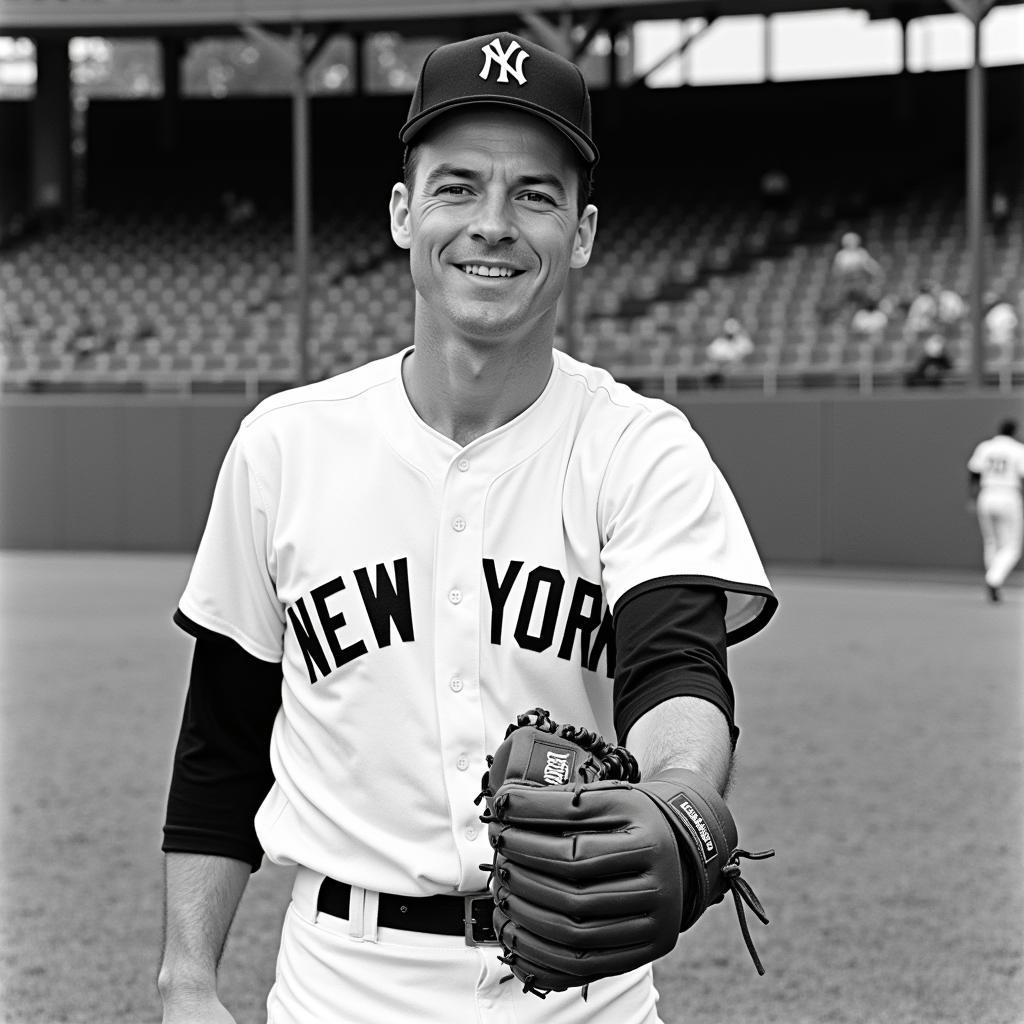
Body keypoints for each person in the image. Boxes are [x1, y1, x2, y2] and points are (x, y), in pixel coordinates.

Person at [157, 31, 777, 1024]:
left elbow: (677, 673)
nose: (492, 223)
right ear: (404, 213)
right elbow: (222, 747)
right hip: (340, 987)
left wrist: (675, 789)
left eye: (534, 194)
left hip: (584, 1001)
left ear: (580, 232)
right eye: (457, 187)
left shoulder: (640, 449)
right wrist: (186, 975)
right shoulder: (284, 447)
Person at [967, 419, 1024, 602]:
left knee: (991, 541)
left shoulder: (985, 446)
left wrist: (972, 498)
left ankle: (993, 579)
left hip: (987, 494)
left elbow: (974, 473)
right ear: (1014, 431)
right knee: (1012, 546)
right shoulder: (1017, 448)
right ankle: (993, 579)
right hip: (1008, 495)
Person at [822, 231, 883, 322]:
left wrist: (877, 272)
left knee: (870, 296)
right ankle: (842, 319)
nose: (852, 243)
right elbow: (836, 272)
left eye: (854, 241)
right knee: (842, 301)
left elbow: (871, 266)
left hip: (860, 282)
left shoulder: (861, 252)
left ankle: (868, 315)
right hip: (846, 283)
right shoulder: (841, 255)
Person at [703, 317, 754, 387]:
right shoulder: (719, 342)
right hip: (721, 369)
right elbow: (710, 355)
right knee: (710, 368)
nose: (730, 334)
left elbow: (749, 357)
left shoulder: (743, 341)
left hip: (738, 368)